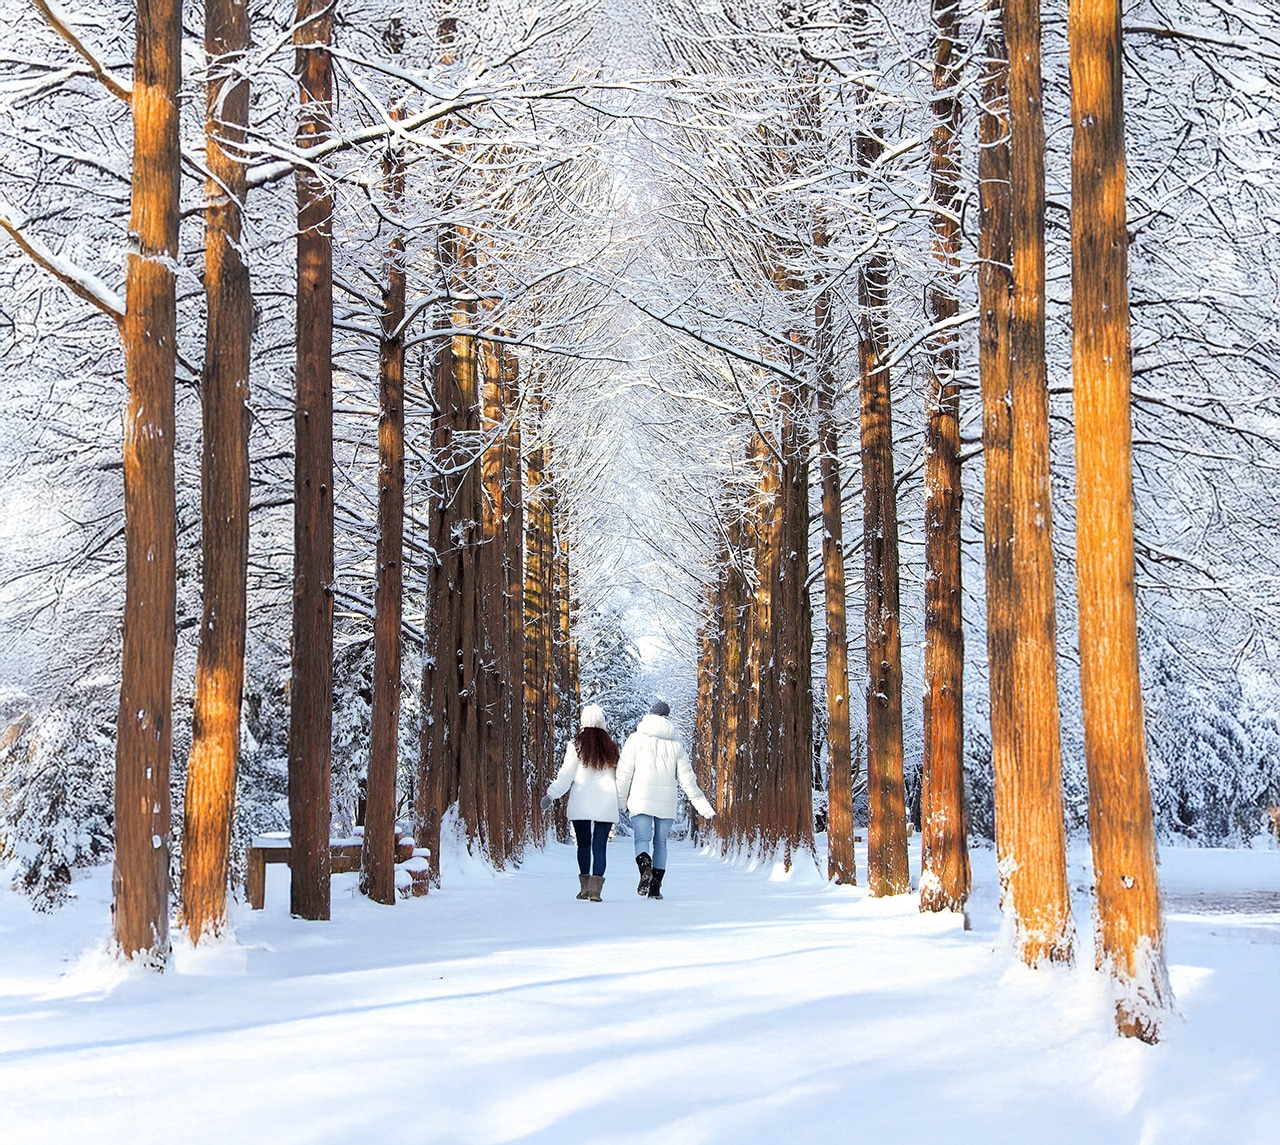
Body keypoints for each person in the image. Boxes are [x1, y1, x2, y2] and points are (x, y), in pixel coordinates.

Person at [615, 700, 715, 900]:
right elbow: (688, 781)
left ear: (650, 715)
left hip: (640, 800)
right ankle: (655, 889)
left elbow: (624, 774)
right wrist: (704, 808)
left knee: (642, 839)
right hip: (666, 802)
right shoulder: (676, 745)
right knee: (660, 843)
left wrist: (619, 803)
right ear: (667, 718)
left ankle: (645, 867)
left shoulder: (635, 740)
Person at [541, 704, 620, 902]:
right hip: (606, 802)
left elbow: (566, 775)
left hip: (582, 801)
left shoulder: (575, 745)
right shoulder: (612, 747)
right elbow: (621, 777)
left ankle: (584, 888)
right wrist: (625, 800)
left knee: (583, 844)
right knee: (599, 846)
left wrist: (551, 794)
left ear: (583, 721)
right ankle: (596, 891)